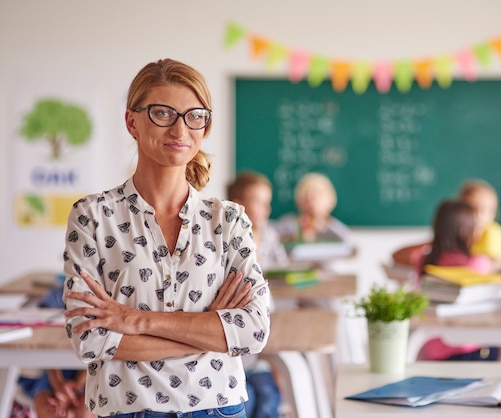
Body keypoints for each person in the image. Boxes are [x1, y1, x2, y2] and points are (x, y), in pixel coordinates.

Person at [62, 58, 270, 418]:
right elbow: (89, 337)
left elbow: (252, 332)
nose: (179, 129)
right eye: (163, 113)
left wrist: (134, 320)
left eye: (194, 116)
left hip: (219, 409)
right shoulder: (92, 216)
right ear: (132, 122)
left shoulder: (230, 220)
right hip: (128, 410)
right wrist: (209, 332)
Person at [408, 199, 501, 361]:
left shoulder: (421, 260)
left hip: (428, 349)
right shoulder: (477, 263)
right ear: (466, 231)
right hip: (467, 350)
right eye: (476, 227)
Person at [226, 171, 285, 418]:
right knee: (246, 402)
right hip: (235, 357)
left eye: (267, 203)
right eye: (258, 202)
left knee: (269, 398)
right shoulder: (226, 238)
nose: (265, 210)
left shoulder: (268, 235)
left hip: (260, 351)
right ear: (239, 205)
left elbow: (283, 269)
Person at [17, 282, 95, 418]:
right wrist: (60, 383)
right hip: (63, 370)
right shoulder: (64, 293)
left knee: (83, 409)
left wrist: (67, 384)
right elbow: (45, 333)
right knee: (53, 407)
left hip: (85, 371)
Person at [273, 172, 351, 244]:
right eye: (306, 196)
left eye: (316, 196)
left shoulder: (335, 228)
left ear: (330, 201)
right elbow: (271, 241)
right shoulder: (287, 224)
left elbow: (349, 244)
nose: (310, 201)